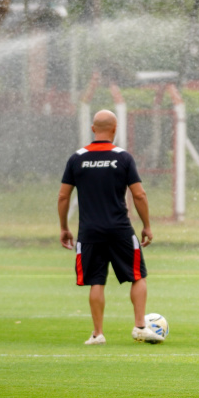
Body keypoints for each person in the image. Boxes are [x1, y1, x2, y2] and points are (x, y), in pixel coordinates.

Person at [57, 109, 163, 345]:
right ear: (115, 130)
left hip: (89, 232)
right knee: (137, 276)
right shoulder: (123, 157)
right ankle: (140, 327)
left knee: (97, 281)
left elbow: (63, 197)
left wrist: (64, 227)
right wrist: (146, 225)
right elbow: (139, 194)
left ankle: (97, 334)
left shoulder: (77, 158)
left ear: (93, 129)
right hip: (120, 230)